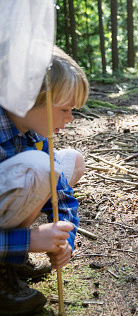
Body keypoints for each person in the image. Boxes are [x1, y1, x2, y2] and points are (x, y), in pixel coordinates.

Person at [0, 46, 89, 314]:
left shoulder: (36, 133)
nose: (70, 118)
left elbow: (62, 197)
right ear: (28, 97)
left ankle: (13, 259)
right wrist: (29, 240)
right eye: (63, 109)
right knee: (39, 167)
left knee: (71, 160)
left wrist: (66, 239)